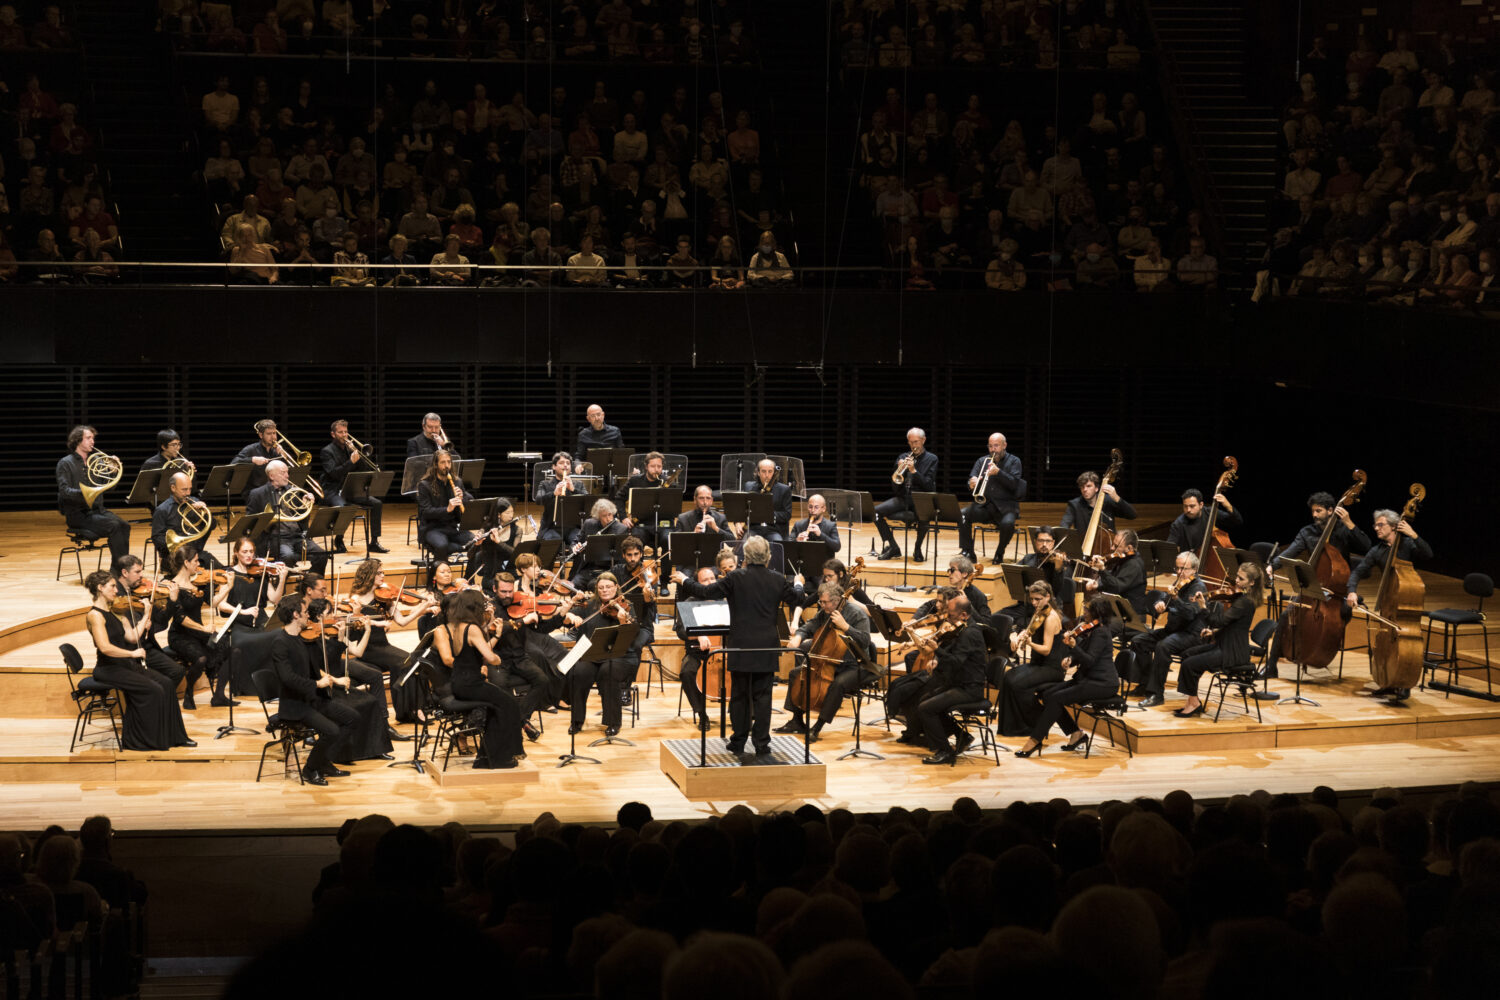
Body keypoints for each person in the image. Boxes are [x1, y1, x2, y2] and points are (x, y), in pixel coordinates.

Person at [672, 535, 802, 757]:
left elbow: (706, 592)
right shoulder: (777, 579)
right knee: (763, 697)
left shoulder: (735, 577)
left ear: (745, 558)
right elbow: (798, 598)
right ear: (768, 557)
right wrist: (798, 583)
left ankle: (738, 742)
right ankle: (762, 743)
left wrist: (684, 580)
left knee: (740, 695)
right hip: (766, 647)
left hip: (740, 645)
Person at [1263, 490, 1371, 681]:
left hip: (1339, 590)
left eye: (1319, 511)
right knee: (1286, 615)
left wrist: (1349, 523)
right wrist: (1273, 566)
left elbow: (1367, 547)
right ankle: (1271, 666)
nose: (1314, 515)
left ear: (1331, 510)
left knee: (1342, 613)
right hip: (1314, 588)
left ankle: (1326, 642)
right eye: (1313, 511)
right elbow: (1290, 552)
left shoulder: (1343, 530)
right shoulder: (1308, 532)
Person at [83, 570, 192, 751]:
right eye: (112, 586)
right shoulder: (95, 615)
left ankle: (175, 737)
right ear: (100, 588)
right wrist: (132, 654)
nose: (116, 590)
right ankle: (140, 740)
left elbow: (132, 637)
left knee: (166, 684)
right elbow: (105, 647)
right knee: (153, 689)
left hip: (124, 664)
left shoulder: (114, 611)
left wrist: (147, 613)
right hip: (108, 668)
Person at [1014, 598, 1122, 756]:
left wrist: (1074, 646)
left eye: (1087, 610)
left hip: (1102, 683)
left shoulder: (1101, 633)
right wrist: (1070, 660)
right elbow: (1082, 654)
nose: (1084, 612)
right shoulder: (1092, 629)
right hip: (1087, 679)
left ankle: (1034, 740)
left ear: (1097, 613)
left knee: (1056, 698)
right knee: (1047, 694)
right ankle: (1076, 734)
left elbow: (1090, 660)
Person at [269, 594, 357, 785]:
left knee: (352, 718)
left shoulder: (300, 639)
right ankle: (310, 769)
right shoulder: (280, 642)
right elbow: (288, 678)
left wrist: (330, 679)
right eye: (304, 612)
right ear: (295, 615)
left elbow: (313, 669)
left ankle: (323, 762)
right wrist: (317, 684)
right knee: (332, 731)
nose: (308, 615)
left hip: (311, 699)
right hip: (295, 705)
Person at [432, 590, 524, 769]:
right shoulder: (472, 629)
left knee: (500, 706)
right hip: (471, 683)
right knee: (509, 704)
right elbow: (489, 657)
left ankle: (489, 757)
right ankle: (499, 757)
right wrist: (497, 659)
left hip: (461, 682)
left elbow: (474, 650)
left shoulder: (459, 626)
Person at [777, 581, 875, 742]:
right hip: (830, 661)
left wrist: (846, 626)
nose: (822, 605)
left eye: (825, 602)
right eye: (820, 602)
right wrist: (798, 637)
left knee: (838, 684)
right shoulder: (825, 613)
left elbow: (865, 641)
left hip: (856, 664)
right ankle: (797, 720)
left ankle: (818, 726)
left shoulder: (856, 614)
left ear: (836, 601)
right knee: (796, 673)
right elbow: (809, 626)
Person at [344, 559, 438, 726]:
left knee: (414, 660)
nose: (383, 576)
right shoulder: (356, 599)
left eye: (383, 572)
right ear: (369, 575)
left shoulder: (385, 597)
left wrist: (423, 607)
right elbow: (353, 625)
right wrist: (372, 621)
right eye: (379, 573)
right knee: (403, 662)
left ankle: (417, 708)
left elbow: (402, 621)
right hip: (368, 649)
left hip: (383, 645)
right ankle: (407, 712)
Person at [301, 597, 394, 763]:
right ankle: (348, 753)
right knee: (356, 707)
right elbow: (316, 670)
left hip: (339, 685)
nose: (334, 616)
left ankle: (376, 749)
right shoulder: (311, 640)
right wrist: (337, 680)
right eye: (330, 613)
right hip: (326, 688)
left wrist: (366, 631)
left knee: (371, 701)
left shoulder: (335, 632)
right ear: (319, 617)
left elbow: (357, 652)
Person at [1171, 563, 1264, 717]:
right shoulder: (1242, 598)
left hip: (1232, 652)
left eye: (1241, 579)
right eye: (1237, 576)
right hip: (1224, 643)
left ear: (1252, 582)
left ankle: (1193, 704)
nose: (1236, 580)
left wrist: (1203, 607)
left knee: (1189, 664)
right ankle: (1192, 701)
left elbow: (1218, 621)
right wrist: (1213, 632)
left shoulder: (1245, 602)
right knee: (1187, 655)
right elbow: (1231, 625)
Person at [913, 596, 990, 765]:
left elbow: (956, 662)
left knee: (926, 708)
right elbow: (954, 656)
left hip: (970, 689)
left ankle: (945, 751)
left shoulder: (970, 633)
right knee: (924, 700)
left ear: (964, 615)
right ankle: (962, 736)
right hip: (959, 683)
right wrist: (937, 657)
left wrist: (937, 649)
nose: (947, 617)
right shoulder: (963, 629)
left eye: (951, 614)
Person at [1125, 551, 1206, 708]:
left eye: (1184, 568)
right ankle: (1144, 683)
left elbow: (1190, 613)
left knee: (1163, 646)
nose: (1180, 572)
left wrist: (1176, 599)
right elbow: (1165, 599)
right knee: (1139, 641)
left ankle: (1156, 694)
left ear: (1194, 569)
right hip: (1173, 630)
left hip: (1190, 634)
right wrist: (1160, 604)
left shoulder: (1198, 588)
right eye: (1177, 568)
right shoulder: (1178, 583)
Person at [565, 572, 641, 739]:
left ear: (616, 587)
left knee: (608, 672)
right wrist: (571, 615)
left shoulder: (626, 606)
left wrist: (622, 622)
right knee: (579, 672)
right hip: (592, 655)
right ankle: (576, 720)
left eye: (608, 587)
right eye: (601, 588)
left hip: (619, 656)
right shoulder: (590, 604)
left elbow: (632, 635)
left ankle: (613, 722)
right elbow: (568, 615)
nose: (605, 590)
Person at [213, 536, 288, 700]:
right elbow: (222, 605)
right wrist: (243, 611)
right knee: (241, 643)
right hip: (239, 623)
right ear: (236, 553)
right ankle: (245, 687)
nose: (249, 555)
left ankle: (272, 686)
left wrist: (282, 579)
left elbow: (274, 599)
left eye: (251, 552)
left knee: (279, 636)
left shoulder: (261, 572)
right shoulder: (229, 574)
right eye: (245, 552)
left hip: (260, 620)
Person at [110, 555, 188, 699]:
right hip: (128, 650)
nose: (141, 576)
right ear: (124, 573)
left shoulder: (142, 592)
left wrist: (172, 601)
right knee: (160, 679)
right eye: (137, 572)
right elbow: (124, 628)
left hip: (146, 646)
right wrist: (143, 622)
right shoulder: (116, 596)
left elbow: (161, 621)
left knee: (177, 671)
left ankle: (160, 702)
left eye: (141, 571)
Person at [996, 581, 1066, 737]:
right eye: (1032, 599)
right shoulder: (1039, 612)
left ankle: (1036, 722)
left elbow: (1046, 650)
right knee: (1008, 677)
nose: (1034, 602)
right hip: (1037, 664)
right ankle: (1011, 726)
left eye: (1038, 599)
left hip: (1051, 668)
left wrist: (1030, 643)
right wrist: (1018, 637)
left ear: (1048, 597)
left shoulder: (1051, 618)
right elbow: (1028, 630)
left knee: (1018, 684)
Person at [56, 425, 130, 562]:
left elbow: (109, 488)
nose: (92, 441)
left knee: (125, 525)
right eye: (88, 438)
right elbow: (65, 492)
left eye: (93, 438)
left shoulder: (98, 462)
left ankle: (122, 566)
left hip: (98, 511)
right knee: (113, 525)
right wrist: (86, 493)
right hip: (78, 515)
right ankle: (120, 568)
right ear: (77, 440)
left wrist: (113, 472)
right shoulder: (65, 463)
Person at [163, 545, 221, 711]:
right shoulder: (172, 587)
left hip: (200, 632)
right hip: (180, 635)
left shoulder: (197, 582)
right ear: (186, 563)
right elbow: (180, 619)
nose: (199, 564)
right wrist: (204, 629)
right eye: (195, 561)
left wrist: (227, 587)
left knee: (227, 645)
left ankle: (219, 695)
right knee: (201, 658)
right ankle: (188, 693)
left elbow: (213, 603)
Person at [245, 460, 328, 575]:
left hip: (297, 537)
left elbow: (301, 518)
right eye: (283, 472)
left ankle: (312, 581)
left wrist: (305, 505)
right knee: (288, 556)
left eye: (287, 472)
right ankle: (285, 583)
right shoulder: (257, 494)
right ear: (272, 476)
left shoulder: (292, 490)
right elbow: (251, 522)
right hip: (277, 539)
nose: (287, 476)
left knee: (322, 554)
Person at [319, 419, 388, 553]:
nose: (344, 435)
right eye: (340, 432)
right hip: (333, 490)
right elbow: (334, 474)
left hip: (350, 489)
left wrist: (357, 453)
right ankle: (339, 539)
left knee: (377, 503)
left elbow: (365, 469)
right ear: (333, 434)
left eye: (346, 432)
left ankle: (374, 542)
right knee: (345, 507)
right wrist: (350, 462)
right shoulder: (327, 451)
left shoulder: (350, 449)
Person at [958, 433, 1025, 563]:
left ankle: (1000, 552)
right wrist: (971, 483)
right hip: (985, 506)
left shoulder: (1014, 461)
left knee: (1008, 524)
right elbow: (971, 478)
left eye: (996, 446)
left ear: (1004, 445)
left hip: (1006, 507)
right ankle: (968, 551)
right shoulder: (982, 461)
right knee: (962, 514)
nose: (993, 449)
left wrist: (999, 473)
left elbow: (1014, 484)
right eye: (990, 446)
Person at [874, 428, 939, 562]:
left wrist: (914, 471)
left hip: (921, 498)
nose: (913, 445)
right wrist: (900, 470)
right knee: (875, 512)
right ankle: (893, 547)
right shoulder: (902, 457)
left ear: (923, 440)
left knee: (925, 516)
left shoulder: (932, 459)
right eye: (911, 442)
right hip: (904, 497)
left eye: (916, 442)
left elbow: (928, 485)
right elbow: (895, 487)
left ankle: (917, 548)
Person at [675, 564, 723, 727]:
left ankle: (741, 714)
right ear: (697, 584)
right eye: (705, 580)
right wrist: (698, 634)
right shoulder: (690, 603)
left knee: (743, 671)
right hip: (697, 653)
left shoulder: (724, 601)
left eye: (712, 579)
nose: (710, 582)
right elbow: (681, 631)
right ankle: (702, 714)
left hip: (723, 652)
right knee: (687, 673)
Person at [997, 528, 1074, 621]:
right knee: (998, 617)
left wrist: (1058, 569)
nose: (1044, 544)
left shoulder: (1058, 562)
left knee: (1032, 623)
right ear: (1035, 542)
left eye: (1048, 541)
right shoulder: (1028, 558)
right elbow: (1008, 577)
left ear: (1053, 543)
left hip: (1048, 606)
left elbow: (1056, 591)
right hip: (1027, 605)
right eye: (1041, 541)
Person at [149, 471, 217, 570]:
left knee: (219, 569)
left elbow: (213, 525)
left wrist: (205, 513)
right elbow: (157, 537)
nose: (188, 493)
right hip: (173, 559)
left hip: (196, 555)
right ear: (173, 488)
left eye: (190, 489)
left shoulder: (195, 503)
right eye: (184, 489)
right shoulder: (162, 510)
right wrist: (177, 546)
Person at [417, 450, 474, 565]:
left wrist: (462, 499)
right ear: (435, 464)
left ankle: (469, 574)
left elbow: (465, 511)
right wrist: (447, 509)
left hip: (452, 528)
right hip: (432, 528)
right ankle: (438, 573)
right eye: (443, 462)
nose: (446, 465)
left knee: (476, 541)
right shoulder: (425, 485)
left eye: (449, 462)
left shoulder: (457, 482)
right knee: (442, 545)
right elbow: (425, 512)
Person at [1081, 529, 1148, 616]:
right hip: (1118, 611)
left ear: (1129, 548)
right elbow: (1112, 578)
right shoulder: (1123, 559)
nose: (1112, 548)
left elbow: (1116, 587)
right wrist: (1098, 584)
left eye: (1116, 546)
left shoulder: (1134, 565)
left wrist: (1102, 569)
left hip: (1130, 615)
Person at [569, 498, 628, 589]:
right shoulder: (589, 524)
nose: (608, 519)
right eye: (604, 516)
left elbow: (622, 556)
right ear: (598, 516)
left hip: (609, 570)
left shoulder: (621, 529)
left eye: (610, 514)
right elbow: (575, 542)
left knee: (594, 585)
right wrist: (575, 547)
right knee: (573, 585)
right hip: (589, 569)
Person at [1167, 487, 1243, 554]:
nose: (1188, 510)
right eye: (1185, 506)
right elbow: (1170, 548)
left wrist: (1227, 505)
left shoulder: (1210, 513)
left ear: (1201, 505)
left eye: (1192, 506)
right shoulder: (1178, 523)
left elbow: (1237, 521)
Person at [1060, 469, 1136, 533]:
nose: (1085, 489)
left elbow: (1132, 515)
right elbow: (1064, 525)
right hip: (1083, 545)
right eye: (1082, 487)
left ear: (1096, 488)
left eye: (1088, 486)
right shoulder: (1074, 505)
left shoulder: (1108, 501)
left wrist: (1116, 497)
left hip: (1108, 545)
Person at [535, 451, 584, 545]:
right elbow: (538, 500)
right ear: (554, 466)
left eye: (568, 463)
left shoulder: (578, 484)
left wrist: (573, 490)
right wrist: (554, 493)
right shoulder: (545, 484)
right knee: (552, 545)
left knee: (579, 546)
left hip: (573, 527)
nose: (565, 465)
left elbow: (587, 500)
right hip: (551, 527)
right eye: (561, 463)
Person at [738, 458, 792, 542]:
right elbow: (740, 509)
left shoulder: (784, 489)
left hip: (774, 530)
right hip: (754, 528)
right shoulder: (749, 486)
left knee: (778, 547)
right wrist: (737, 523)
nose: (767, 475)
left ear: (774, 473)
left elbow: (787, 515)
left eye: (770, 471)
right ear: (758, 472)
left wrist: (768, 515)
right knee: (744, 546)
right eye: (763, 471)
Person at [232, 419, 283, 504]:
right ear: (261, 435)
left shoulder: (276, 452)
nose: (273, 437)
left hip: (272, 492)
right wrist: (252, 460)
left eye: (274, 433)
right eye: (269, 434)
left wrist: (283, 456)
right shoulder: (250, 449)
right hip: (254, 493)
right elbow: (234, 462)